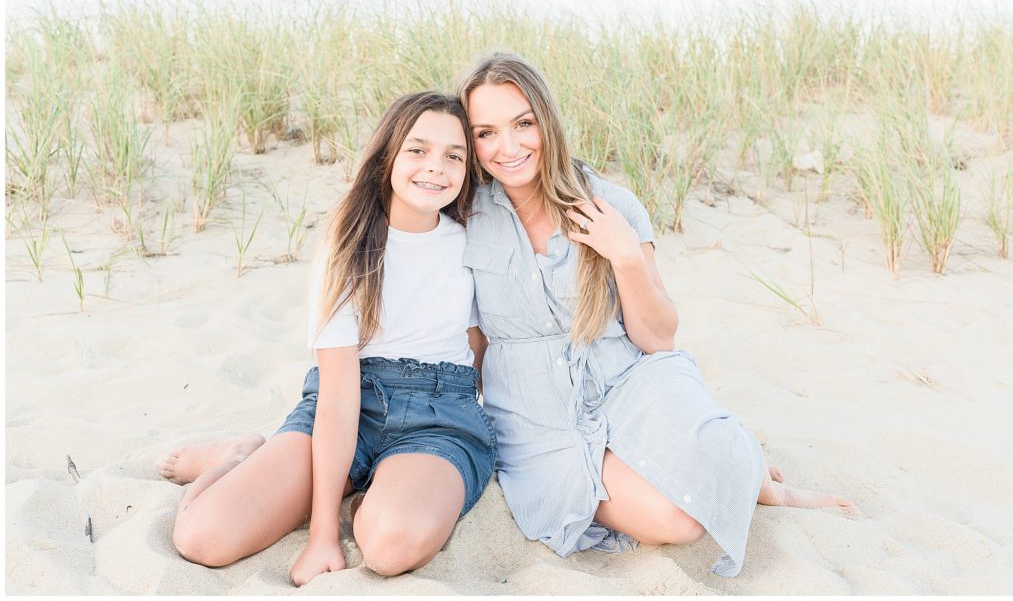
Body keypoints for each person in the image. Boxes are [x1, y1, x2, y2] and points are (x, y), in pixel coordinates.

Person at [456, 53, 854, 577]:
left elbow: (658, 338)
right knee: (676, 519)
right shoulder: (464, 219)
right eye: (486, 133)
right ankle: (729, 461)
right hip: (537, 416)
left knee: (689, 476)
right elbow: (475, 345)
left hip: (631, 382)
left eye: (523, 123)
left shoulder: (611, 203)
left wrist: (623, 254)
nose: (507, 148)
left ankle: (753, 477)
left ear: (547, 121)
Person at [156, 91, 497, 586]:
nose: (435, 168)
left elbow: (480, 345)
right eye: (417, 150)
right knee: (202, 539)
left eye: (454, 156)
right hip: (346, 403)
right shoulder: (350, 240)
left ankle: (378, 489)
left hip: (440, 415)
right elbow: (338, 399)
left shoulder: (472, 239)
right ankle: (240, 455)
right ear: (388, 156)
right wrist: (322, 536)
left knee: (391, 547)